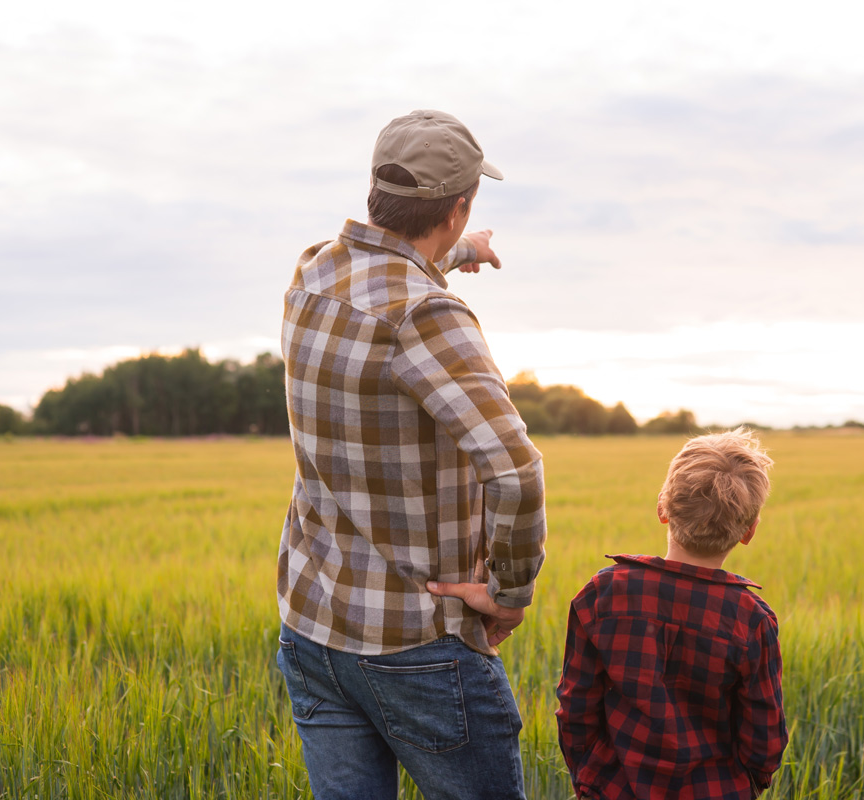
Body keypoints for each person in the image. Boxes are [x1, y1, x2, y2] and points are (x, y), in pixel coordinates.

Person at [276, 109, 546, 800]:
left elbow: (383, 270)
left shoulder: (312, 273)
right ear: (457, 207)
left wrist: (458, 252)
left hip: (314, 629)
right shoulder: (428, 315)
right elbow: (515, 470)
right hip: (417, 646)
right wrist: (508, 594)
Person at [556, 428, 787, 800]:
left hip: (612, 790)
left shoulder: (604, 593)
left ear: (662, 507)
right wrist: (742, 787)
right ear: (750, 530)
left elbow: (575, 705)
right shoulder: (751, 620)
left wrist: (589, 776)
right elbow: (765, 737)